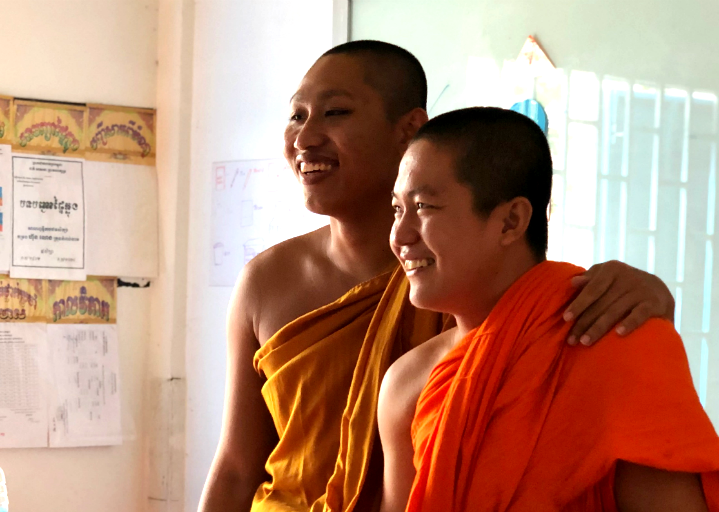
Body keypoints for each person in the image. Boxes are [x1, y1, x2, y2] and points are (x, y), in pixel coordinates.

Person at [199, 40, 677, 512]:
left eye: (336, 112)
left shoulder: (490, 290)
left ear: (408, 129)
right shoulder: (267, 283)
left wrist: (652, 299)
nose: (305, 139)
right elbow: (238, 467)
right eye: (297, 115)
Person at [380, 107, 719, 511]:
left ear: (510, 221)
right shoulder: (407, 383)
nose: (399, 236)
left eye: (423, 207)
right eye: (398, 209)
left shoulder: (622, 342)